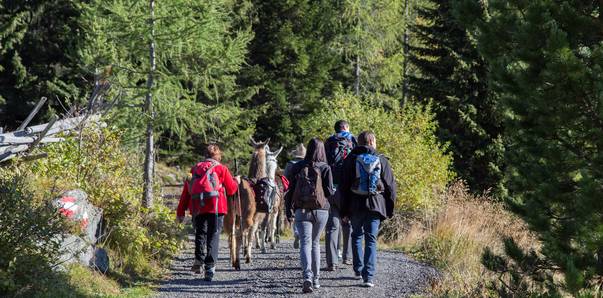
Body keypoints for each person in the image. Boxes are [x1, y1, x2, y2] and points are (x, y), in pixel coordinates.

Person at [339, 131, 396, 288]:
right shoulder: (382, 159)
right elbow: (391, 186)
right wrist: (389, 209)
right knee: (371, 239)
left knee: (356, 235)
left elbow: (343, 187)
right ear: (372, 141)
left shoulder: (350, 159)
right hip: (375, 205)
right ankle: (368, 277)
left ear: (359, 142)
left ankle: (358, 269)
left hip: (355, 204)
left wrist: (343, 211)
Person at [176, 144, 240, 282]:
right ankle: (209, 267)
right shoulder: (221, 168)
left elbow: (186, 192)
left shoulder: (194, 169)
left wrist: (180, 211)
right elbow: (231, 190)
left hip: (197, 205)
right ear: (218, 156)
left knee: (200, 233)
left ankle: (198, 260)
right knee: (214, 235)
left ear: (205, 155)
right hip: (217, 206)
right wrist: (236, 181)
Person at [285, 138, 335, 293]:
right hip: (321, 211)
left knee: (305, 243)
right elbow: (329, 192)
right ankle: (317, 279)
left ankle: (307, 276)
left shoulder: (298, 166)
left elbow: (290, 191)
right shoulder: (326, 168)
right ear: (322, 150)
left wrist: (288, 210)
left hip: (302, 210)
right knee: (315, 243)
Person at [324, 120, 356, 270]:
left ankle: (332, 262)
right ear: (346, 128)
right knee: (348, 223)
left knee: (332, 226)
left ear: (335, 129)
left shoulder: (329, 141)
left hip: (332, 189)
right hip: (349, 189)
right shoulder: (353, 140)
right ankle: (347, 257)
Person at [284, 143, 306, 249]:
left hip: (293, 191)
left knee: (293, 213)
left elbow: (285, 179)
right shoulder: (307, 163)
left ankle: (296, 232)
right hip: (306, 192)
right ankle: (304, 234)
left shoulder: (290, 164)